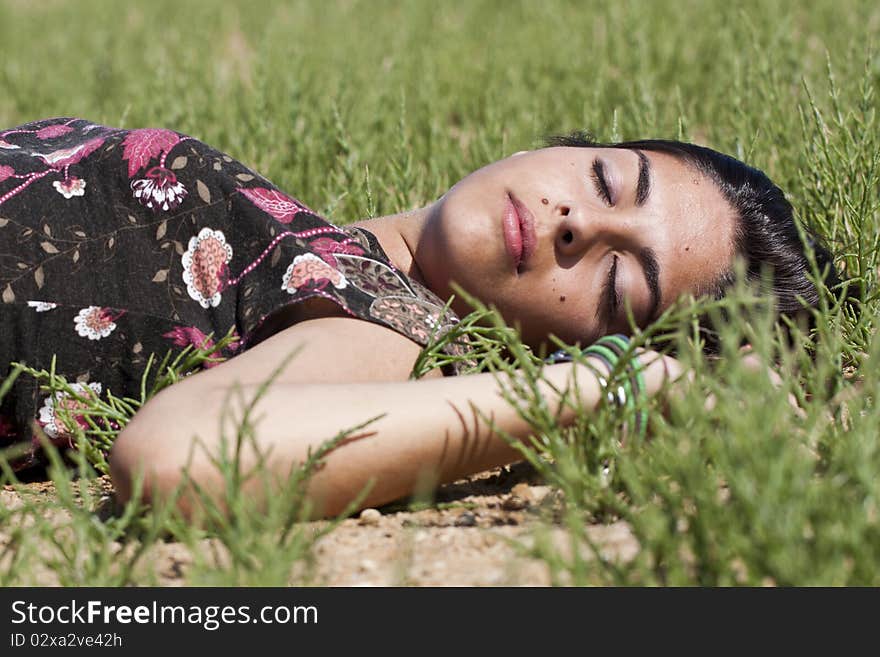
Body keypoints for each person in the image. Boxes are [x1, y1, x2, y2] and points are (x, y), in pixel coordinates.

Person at [0, 117, 844, 517]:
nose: (578, 223)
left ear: (580, 344)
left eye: (616, 282)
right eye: (606, 182)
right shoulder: (326, 250)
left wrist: (615, 386)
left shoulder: (383, 324)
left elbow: (179, 456)